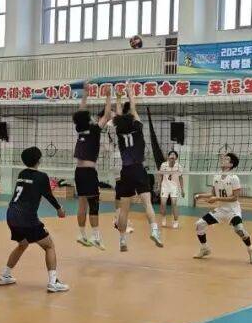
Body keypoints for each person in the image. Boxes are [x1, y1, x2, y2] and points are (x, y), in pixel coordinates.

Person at [0, 146, 68, 293]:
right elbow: (48, 195)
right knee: (49, 246)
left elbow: (32, 191)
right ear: (39, 159)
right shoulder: (42, 176)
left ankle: (5, 275)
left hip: (11, 215)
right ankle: (53, 282)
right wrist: (59, 209)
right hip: (26, 218)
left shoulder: (22, 173)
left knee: (23, 244)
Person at [112, 87, 162, 252]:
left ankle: (122, 240)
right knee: (147, 203)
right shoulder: (138, 127)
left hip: (125, 171)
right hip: (139, 169)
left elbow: (119, 116)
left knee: (124, 210)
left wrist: (118, 98)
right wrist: (130, 93)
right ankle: (154, 230)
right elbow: (133, 109)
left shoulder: (119, 131)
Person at [193, 152, 252, 265]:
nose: (223, 159)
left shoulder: (234, 178)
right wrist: (201, 196)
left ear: (231, 164)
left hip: (233, 210)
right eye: (224, 158)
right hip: (220, 210)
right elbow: (212, 193)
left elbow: (234, 198)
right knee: (199, 224)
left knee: (239, 229)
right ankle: (205, 248)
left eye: (227, 159)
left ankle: (251, 250)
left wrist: (216, 198)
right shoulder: (216, 176)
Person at [72, 92, 113, 249]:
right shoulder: (95, 129)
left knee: (82, 204)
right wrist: (108, 96)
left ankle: (81, 234)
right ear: (88, 119)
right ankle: (95, 237)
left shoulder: (80, 129)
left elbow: (81, 111)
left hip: (78, 172)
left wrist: (85, 93)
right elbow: (107, 115)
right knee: (94, 204)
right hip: (88, 173)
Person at [159, 150, 184, 229]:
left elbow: (181, 178)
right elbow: (161, 176)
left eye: (174, 155)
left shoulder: (179, 166)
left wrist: (182, 189)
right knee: (163, 203)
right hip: (165, 186)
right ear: (168, 157)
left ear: (176, 158)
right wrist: (159, 186)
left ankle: (176, 221)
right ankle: (164, 218)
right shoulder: (163, 165)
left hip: (174, 187)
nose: (172, 155)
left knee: (174, 203)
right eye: (171, 154)